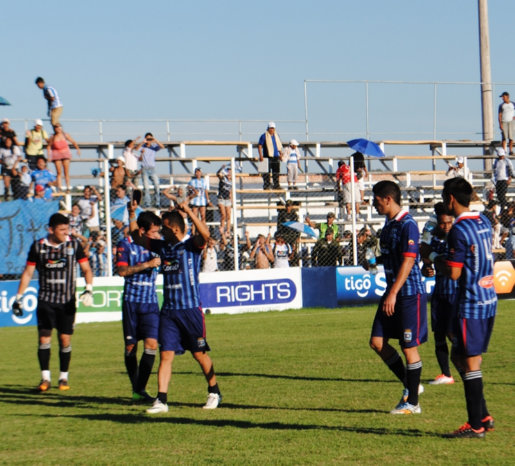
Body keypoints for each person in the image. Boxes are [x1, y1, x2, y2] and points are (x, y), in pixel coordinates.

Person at [127, 201, 222, 413]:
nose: (160, 230)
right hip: (169, 312)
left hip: (190, 311)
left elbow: (206, 236)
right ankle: (161, 400)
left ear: (175, 228)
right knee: (166, 354)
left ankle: (214, 391)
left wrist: (189, 211)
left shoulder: (190, 246)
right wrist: (132, 212)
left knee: (199, 354)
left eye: (164, 227)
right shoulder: (163, 248)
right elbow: (136, 237)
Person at [435, 177, 497, 438]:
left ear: (450, 199)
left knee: (470, 362)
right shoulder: (483, 220)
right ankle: (483, 414)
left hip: (470, 303)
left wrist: (435, 259)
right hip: (489, 299)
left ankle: (476, 425)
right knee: (460, 357)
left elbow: (454, 274)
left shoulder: (458, 231)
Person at [12, 213, 93, 391]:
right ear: (51, 229)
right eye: (62, 230)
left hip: (67, 301)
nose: (66, 233)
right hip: (46, 300)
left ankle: (63, 378)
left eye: (68, 229)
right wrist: (19, 297)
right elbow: (27, 272)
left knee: (64, 339)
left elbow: (86, 269)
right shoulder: (38, 247)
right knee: (44, 339)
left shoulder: (73, 245)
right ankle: (45, 379)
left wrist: (89, 289)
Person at [369, 180, 427, 415]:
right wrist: (374, 261)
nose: (373, 203)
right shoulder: (389, 224)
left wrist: (393, 292)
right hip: (392, 291)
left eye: (376, 199)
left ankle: (412, 402)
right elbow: (393, 255)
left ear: (387, 199)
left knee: (408, 347)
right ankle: (412, 385)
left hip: (408, 294)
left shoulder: (408, 224)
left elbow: (409, 260)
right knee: (377, 342)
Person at [116, 211, 162, 401]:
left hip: (151, 303)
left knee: (151, 345)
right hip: (132, 303)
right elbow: (121, 271)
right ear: (143, 231)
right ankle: (136, 388)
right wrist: (147, 265)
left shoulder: (157, 245)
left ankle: (140, 389)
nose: (158, 236)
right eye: (154, 232)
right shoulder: (125, 244)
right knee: (130, 348)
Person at [419, 202, 457, 386]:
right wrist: (426, 268)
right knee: (439, 333)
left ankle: (469, 363)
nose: (446, 226)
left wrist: (433, 259)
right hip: (439, 291)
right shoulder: (433, 239)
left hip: (454, 291)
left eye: (449, 222)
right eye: (443, 223)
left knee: (451, 332)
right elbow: (425, 260)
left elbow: (449, 264)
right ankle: (446, 374)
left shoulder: (456, 239)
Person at [47, 123, 80, 192]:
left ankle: (68, 187)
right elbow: (49, 146)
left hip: (65, 153)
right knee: (59, 172)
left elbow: (73, 142)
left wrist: (77, 149)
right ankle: (60, 188)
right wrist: (49, 156)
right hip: (56, 154)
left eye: (59, 127)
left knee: (66, 171)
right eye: (56, 128)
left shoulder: (65, 135)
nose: (58, 129)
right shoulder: (53, 137)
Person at [140, 132, 164, 207]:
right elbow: (136, 148)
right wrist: (142, 142)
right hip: (144, 168)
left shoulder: (154, 147)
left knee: (157, 185)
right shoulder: (143, 146)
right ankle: (147, 203)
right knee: (146, 187)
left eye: (150, 139)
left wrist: (155, 140)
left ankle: (157, 203)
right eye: (148, 139)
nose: (149, 140)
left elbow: (162, 147)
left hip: (152, 168)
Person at [258, 122, 283, 190]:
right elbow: (260, 146)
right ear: (268, 128)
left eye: (273, 128)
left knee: (276, 172)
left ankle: (276, 185)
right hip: (267, 156)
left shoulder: (276, 136)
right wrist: (261, 155)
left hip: (275, 156)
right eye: (271, 128)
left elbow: (279, 146)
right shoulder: (264, 136)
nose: (272, 129)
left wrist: (280, 154)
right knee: (266, 172)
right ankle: (266, 185)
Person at [216, 165, 232, 237]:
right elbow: (218, 174)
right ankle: (222, 229)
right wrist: (221, 168)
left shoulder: (232, 181)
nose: (229, 173)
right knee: (223, 215)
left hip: (227, 199)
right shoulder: (223, 178)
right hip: (221, 198)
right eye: (228, 171)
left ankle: (228, 231)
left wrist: (231, 200)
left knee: (228, 216)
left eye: (230, 172)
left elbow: (230, 191)